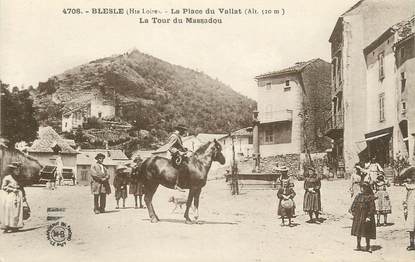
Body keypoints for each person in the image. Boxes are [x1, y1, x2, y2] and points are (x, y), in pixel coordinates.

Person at [350, 182, 377, 253]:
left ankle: (368, 245)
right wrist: (353, 211)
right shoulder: (358, 196)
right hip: (358, 216)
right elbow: (354, 204)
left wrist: (369, 216)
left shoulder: (370, 197)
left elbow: (372, 208)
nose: (361, 189)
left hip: (366, 217)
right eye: (361, 187)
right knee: (358, 230)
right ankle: (358, 244)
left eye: (363, 188)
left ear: (366, 189)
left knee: (367, 231)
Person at [0, 163, 27, 233]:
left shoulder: (19, 178)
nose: (18, 172)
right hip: (10, 196)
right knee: (9, 210)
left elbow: (22, 187)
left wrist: (24, 196)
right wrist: (12, 189)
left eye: (19, 170)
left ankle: (15, 226)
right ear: (12, 170)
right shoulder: (7, 178)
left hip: (19, 195)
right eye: (16, 170)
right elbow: (3, 187)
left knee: (17, 211)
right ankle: (7, 225)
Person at [165, 124, 189, 191]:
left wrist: (185, 149)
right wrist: (179, 152)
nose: (184, 132)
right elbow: (170, 147)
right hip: (176, 156)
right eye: (183, 130)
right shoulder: (174, 136)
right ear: (180, 130)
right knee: (184, 166)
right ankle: (178, 184)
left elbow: (178, 146)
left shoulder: (178, 136)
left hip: (180, 155)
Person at [403, 173, 415, 251]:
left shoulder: (409, 187)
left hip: (412, 208)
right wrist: (405, 207)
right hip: (411, 208)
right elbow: (405, 199)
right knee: (411, 226)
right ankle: (412, 244)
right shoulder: (408, 188)